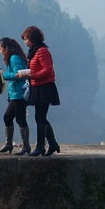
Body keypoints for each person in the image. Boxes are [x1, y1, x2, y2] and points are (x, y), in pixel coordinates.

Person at [19, 26, 61, 156]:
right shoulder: (34, 51)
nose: (25, 42)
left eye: (26, 39)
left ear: (33, 39)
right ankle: (52, 144)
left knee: (40, 117)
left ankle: (41, 146)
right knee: (41, 117)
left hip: (45, 88)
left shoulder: (42, 51)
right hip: (37, 87)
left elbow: (48, 70)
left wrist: (32, 75)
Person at [0, 37, 31, 155]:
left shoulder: (14, 58)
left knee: (20, 119)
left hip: (19, 94)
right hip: (15, 93)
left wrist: (3, 75)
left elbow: (19, 75)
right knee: (8, 117)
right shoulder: (15, 57)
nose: (0, 51)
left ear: (6, 48)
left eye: (1, 49)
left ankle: (26, 145)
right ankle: (9, 144)